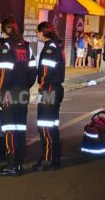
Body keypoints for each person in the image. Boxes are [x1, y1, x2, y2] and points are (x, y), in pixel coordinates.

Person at [0, 18, 37, 176]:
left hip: (10, 92)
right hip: (23, 91)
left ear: (6, 30)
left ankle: (12, 165)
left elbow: (5, 73)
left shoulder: (6, 46)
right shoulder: (26, 47)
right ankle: (19, 161)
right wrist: (26, 85)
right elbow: (34, 70)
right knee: (20, 128)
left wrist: (0, 92)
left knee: (9, 129)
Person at [32, 21, 65, 171]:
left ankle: (48, 158)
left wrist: (41, 88)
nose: (36, 34)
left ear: (43, 32)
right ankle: (53, 157)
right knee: (52, 126)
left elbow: (45, 72)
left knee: (45, 126)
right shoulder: (55, 46)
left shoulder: (49, 49)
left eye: (38, 32)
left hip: (49, 90)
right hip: (55, 89)